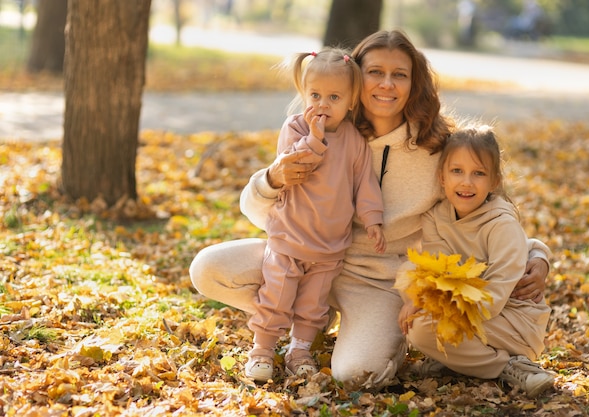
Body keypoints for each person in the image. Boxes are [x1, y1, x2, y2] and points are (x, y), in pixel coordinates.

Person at [189, 29, 550, 390]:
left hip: (380, 284)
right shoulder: (322, 128)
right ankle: (307, 316)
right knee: (208, 269)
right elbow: (258, 213)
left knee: (356, 376)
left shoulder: (437, 147)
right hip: (303, 255)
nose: (387, 84)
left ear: (414, 83)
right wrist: (272, 178)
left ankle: (357, 331)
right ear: (355, 79)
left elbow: (486, 204)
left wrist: (536, 253)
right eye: (376, 72)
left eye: (400, 75)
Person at [244, 48, 386, 383]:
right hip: (289, 238)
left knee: (313, 306)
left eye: (334, 97)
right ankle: (262, 350)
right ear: (304, 95)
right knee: (275, 297)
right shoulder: (295, 128)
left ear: (352, 102)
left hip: (329, 247)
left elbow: (365, 184)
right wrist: (315, 138)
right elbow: (296, 163)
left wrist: (373, 218)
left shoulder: (354, 141)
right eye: (315, 95)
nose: (322, 105)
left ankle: (300, 350)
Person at [397, 124, 554, 398]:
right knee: (413, 300)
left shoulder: (501, 224)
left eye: (478, 173)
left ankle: (510, 364)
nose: (466, 182)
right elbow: (436, 271)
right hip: (467, 310)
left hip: (511, 319)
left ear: (494, 181)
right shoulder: (435, 217)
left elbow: (493, 300)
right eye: (457, 171)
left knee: (423, 328)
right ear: (442, 177)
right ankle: (458, 358)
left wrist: (439, 315)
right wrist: (419, 299)